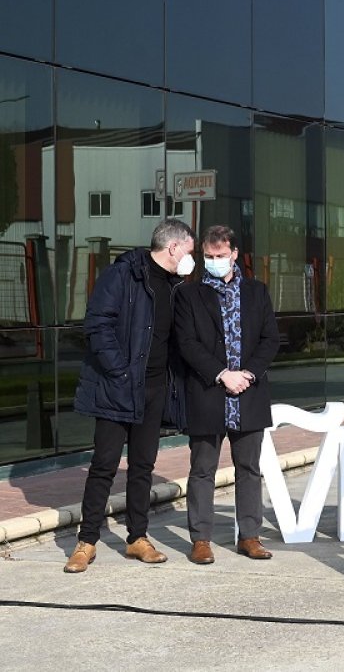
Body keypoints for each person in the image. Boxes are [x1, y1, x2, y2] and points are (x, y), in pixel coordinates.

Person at [64, 219, 195, 573]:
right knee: (104, 465)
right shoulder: (123, 274)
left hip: (154, 390)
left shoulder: (174, 284)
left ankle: (137, 538)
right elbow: (97, 323)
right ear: (173, 247)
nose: (191, 258)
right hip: (118, 387)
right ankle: (86, 541)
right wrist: (120, 370)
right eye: (189, 250)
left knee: (143, 465)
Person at [174, 226, 280, 565]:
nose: (215, 262)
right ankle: (201, 539)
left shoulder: (257, 292)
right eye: (209, 257)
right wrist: (222, 374)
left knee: (249, 468)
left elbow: (270, 340)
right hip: (208, 393)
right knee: (202, 468)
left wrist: (247, 374)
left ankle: (249, 536)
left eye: (221, 256)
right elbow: (187, 343)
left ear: (235, 254)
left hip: (248, 392)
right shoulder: (189, 296)